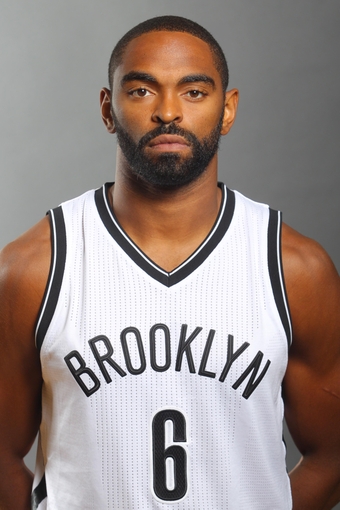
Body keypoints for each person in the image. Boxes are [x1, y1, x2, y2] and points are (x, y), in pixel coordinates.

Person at [0, 15, 339, 510]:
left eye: (194, 92)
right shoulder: (35, 267)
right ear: (107, 108)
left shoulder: (294, 268)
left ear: (228, 109)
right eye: (141, 91)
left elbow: (333, 454)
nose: (168, 112)